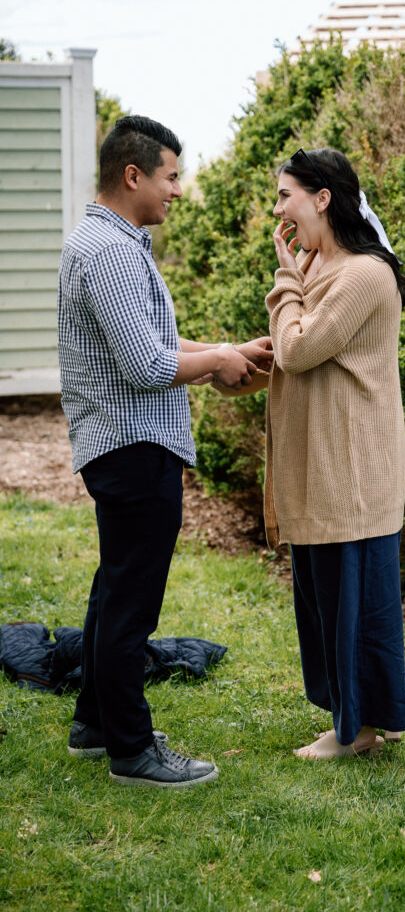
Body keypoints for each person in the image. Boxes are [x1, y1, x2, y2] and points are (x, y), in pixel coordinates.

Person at [58, 115, 272, 787]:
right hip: (131, 446)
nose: (177, 190)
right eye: (170, 176)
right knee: (131, 602)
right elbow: (148, 366)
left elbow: (146, 344)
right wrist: (219, 361)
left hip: (123, 443)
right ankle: (132, 749)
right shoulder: (114, 252)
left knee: (112, 588)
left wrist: (225, 352)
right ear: (134, 175)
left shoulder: (106, 242)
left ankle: (95, 723)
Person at [264, 146, 405, 759]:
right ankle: (354, 719)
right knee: (327, 600)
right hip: (321, 469)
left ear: (322, 198)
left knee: (355, 605)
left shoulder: (363, 274)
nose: (277, 210)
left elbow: (298, 349)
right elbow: (295, 345)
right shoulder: (324, 268)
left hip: (351, 470)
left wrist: (283, 278)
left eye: (284, 196)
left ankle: (359, 730)